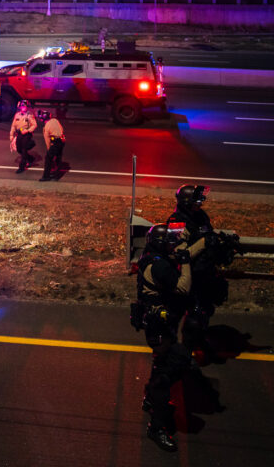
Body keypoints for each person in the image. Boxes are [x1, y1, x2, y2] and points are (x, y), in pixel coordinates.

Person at [133, 223, 203, 452]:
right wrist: (185, 263)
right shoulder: (161, 266)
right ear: (162, 245)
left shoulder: (150, 256)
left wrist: (198, 242)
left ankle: (150, 397)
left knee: (162, 364)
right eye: (170, 241)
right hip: (159, 328)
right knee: (168, 373)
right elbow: (183, 288)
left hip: (158, 325)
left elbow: (178, 249)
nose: (174, 244)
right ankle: (157, 427)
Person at [166, 185, 227, 351]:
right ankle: (177, 350)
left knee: (203, 312)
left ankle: (196, 342)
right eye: (196, 202)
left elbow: (209, 234)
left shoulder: (200, 216)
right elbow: (177, 253)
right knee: (180, 315)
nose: (200, 204)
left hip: (204, 274)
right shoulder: (176, 222)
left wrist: (220, 242)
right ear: (186, 203)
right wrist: (203, 243)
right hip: (187, 276)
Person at [10, 101, 38, 173]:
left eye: (25, 106)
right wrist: (11, 135)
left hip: (27, 134)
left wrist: (28, 130)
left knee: (23, 149)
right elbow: (13, 126)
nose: (23, 108)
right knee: (19, 149)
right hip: (19, 134)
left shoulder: (29, 115)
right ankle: (31, 159)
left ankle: (22, 166)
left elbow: (34, 125)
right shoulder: (17, 115)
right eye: (22, 106)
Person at [39, 112, 65, 181]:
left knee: (48, 159)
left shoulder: (46, 127)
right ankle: (57, 175)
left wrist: (49, 149)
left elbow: (47, 140)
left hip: (55, 142)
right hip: (62, 140)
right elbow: (61, 129)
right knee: (58, 158)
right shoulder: (55, 120)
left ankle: (46, 176)